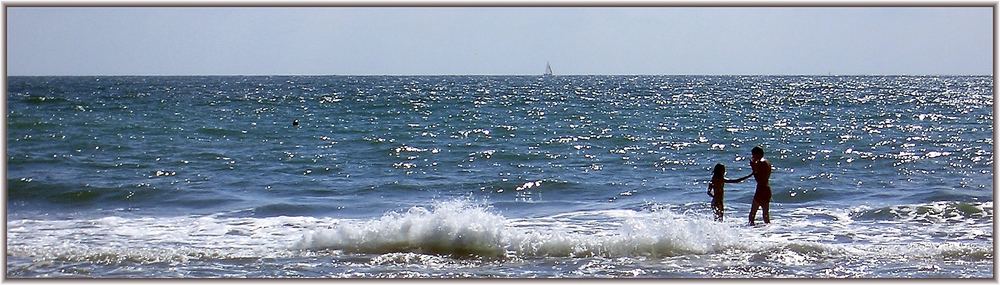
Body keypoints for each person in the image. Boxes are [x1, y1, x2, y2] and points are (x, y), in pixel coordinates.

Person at [747, 146, 773, 226]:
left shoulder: (760, 163)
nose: (752, 157)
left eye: (753, 155)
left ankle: (751, 232)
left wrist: (753, 167)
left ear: (757, 154)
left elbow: (758, 178)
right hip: (767, 188)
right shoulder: (767, 162)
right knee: (765, 214)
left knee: (752, 215)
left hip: (761, 189)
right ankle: (768, 231)